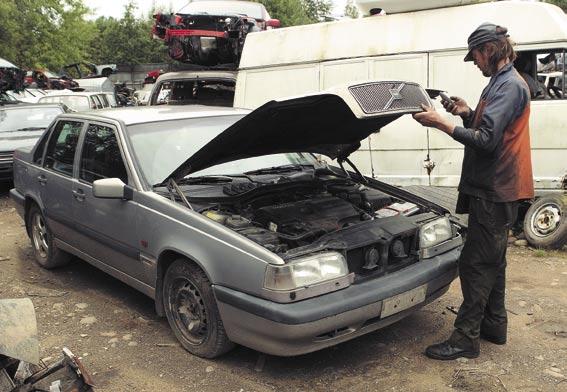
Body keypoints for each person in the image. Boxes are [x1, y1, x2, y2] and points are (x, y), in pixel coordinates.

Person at [413, 23, 534, 360]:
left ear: (490, 49)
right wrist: (466, 113)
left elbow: (486, 140)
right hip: (497, 188)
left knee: (476, 264)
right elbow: (487, 128)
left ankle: (465, 339)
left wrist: (442, 123)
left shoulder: (508, 86)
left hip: (495, 190)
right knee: (493, 261)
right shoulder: (501, 83)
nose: (475, 62)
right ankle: (494, 325)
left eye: (476, 55)